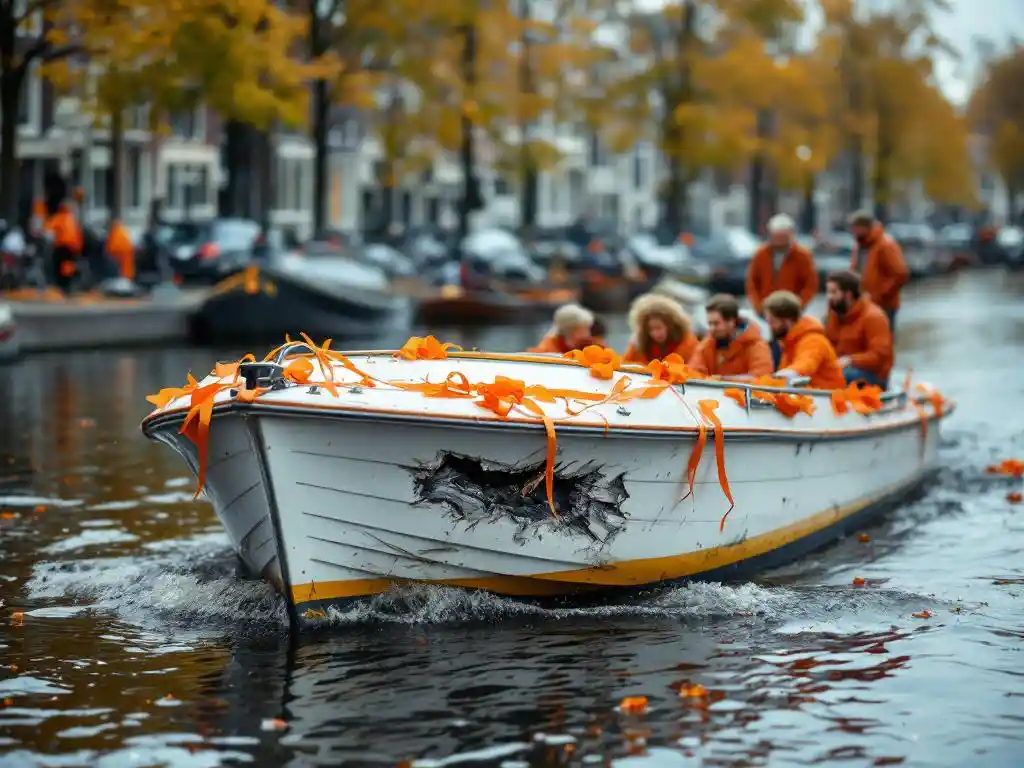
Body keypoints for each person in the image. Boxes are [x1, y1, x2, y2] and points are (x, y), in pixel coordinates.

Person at [746, 213, 819, 368]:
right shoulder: (761, 254)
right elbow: (752, 282)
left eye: (783, 237)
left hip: (789, 312)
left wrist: (799, 305)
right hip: (765, 311)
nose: (779, 241)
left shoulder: (802, 255)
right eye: (776, 236)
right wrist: (758, 306)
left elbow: (810, 284)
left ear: (790, 235)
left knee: (789, 342)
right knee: (766, 344)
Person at [763, 290, 845, 390]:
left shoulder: (814, 340)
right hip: (810, 396)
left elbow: (806, 364)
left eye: (772, 321)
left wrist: (779, 377)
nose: (770, 327)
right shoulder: (789, 342)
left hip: (827, 398)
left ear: (787, 320)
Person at [824, 269, 893, 388]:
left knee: (841, 375)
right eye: (828, 292)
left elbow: (879, 357)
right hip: (841, 367)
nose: (829, 297)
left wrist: (850, 360)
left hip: (872, 376)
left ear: (848, 294)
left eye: (834, 292)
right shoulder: (834, 314)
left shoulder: (874, 317)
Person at [847, 210, 909, 331]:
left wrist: (881, 295)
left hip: (883, 305)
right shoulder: (859, 246)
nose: (852, 232)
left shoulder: (885, 245)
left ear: (864, 227)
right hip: (862, 303)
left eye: (855, 228)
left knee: (882, 340)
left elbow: (900, 273)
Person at [689, 293, 773, 378]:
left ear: (731, 321)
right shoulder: (706, 345)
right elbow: (693, 373)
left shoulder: (756, 346)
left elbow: (761, 377)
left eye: (716, 323)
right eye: (709, 323)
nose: (711, 328)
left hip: (743, 391)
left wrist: (721, 380)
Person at [623, 293, 699, 364]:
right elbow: (625, 367)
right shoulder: (639, 344)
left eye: (658, 328)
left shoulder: (688, 342)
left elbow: (695, 370)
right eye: (650, 329)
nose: (655, 333)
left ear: (670, 325)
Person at [44, 201, 83, 294]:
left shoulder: (58, 218)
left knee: (59, 265)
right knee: (68, 266)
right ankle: (69, 283)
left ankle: (62, 285)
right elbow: (78, 234)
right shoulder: (72, 219)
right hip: (72, 247)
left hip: (61, 246)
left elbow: (49, 232)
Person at [530, 303, 595, 354]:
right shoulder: (548, 351)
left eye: (587, 329)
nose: (587, 335)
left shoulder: (587, 345)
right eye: (581, 331)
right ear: (568, 331)